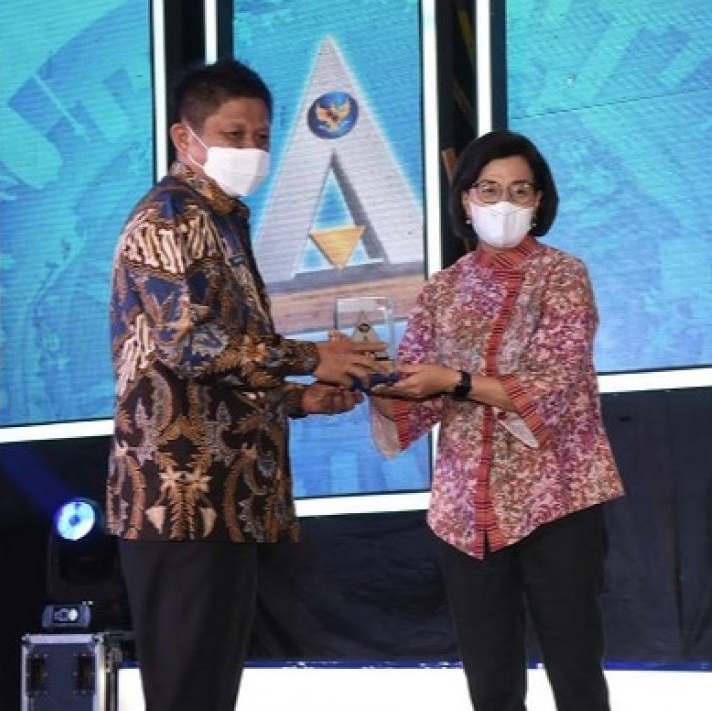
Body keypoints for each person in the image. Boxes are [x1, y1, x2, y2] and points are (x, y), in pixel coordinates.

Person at [106, 58, 380, 711]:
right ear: (185, 137)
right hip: (179, 495)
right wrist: (313, 357)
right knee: (186, 691)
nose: (251, 150)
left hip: (223, 493)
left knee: (208, 690)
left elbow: (214, 362)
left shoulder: (222, 218)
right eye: (233, 135)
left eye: (260, 136)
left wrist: (297, 399)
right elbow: (188, 344)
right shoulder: (171, 216)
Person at [367, 129, 625, 711]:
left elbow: (555, 382)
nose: (504, 203)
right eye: (489, 189)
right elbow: (415, 404)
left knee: (576, 672)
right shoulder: (440, 291)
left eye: (519, 190)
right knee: (490, 684)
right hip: (465, 510)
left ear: (539, 201)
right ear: (466, 199)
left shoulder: (563, 274)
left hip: (557, 498)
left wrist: (455, 381)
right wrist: (372, 384)